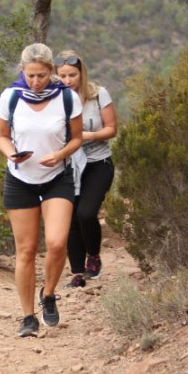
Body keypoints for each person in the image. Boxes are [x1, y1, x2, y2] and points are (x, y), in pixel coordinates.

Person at [0, 43, 83, 336]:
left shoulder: (67, 98)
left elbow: (76, 138)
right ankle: (27, 317)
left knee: (57, 243)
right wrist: (10, 153)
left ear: (52, 73)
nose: (36, 82)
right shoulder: (10, 97)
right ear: (23, 71)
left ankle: (48, 293)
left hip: (57, 176)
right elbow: (1, 136)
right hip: (20, 179)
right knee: (26, 250)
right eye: (31, 75)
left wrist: (59, 155)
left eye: (42, 76)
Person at [54, 50, 117, 289]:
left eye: (72, 75)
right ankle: (77, 273)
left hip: (98, 164)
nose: (67, 80)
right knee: (69, 220)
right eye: (62, 76)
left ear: (81, 73)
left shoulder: (98, 95)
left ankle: (94, 256)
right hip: (67, 166)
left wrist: (85, 136)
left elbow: (111, 129)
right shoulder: (54, 99)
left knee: (86, 213)